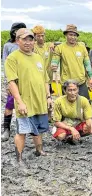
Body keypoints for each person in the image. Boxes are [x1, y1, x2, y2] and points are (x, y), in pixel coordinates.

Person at [5, 28, 53, 165]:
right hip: (25, 101)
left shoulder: (38, 58)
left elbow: (45, 80)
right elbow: (12, 82)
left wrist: (48, 97)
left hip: (40, 101)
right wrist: (19, 102)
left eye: (30, 39)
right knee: (23, 130)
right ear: (17, 40)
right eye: (24, 39)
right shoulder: (13, 58)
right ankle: (19, 158)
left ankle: (39, 150)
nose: (28, 42)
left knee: (38, 128)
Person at [51, 24, 92, 100]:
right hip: (67, 84)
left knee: (85, 105)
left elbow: (87, 65)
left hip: (81, 82)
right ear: (66, 35)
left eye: (75, 35)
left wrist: (91, 78)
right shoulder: (60, 48)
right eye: (70, 35)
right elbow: (54, 61)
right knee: (69, 108)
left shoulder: (82, 48)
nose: (73, 37)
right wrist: (53, 65)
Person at [2, 22, 27, 142]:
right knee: (10, 105)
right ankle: (6, 128)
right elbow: (5, 65)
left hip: (26, 80)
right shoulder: (8, 46)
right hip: (13, 81)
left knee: (26, 104)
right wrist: (8, 82)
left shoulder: (28, 45)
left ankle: (24, 129)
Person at [32, 25, 54, 93]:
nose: (41, 38)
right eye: (38, 36)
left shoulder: (48, 45)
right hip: (37, 79)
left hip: (48, 79)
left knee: (48, 99)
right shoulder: (32, 46)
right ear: (34, 36)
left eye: (42, 35)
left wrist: (53, 44)